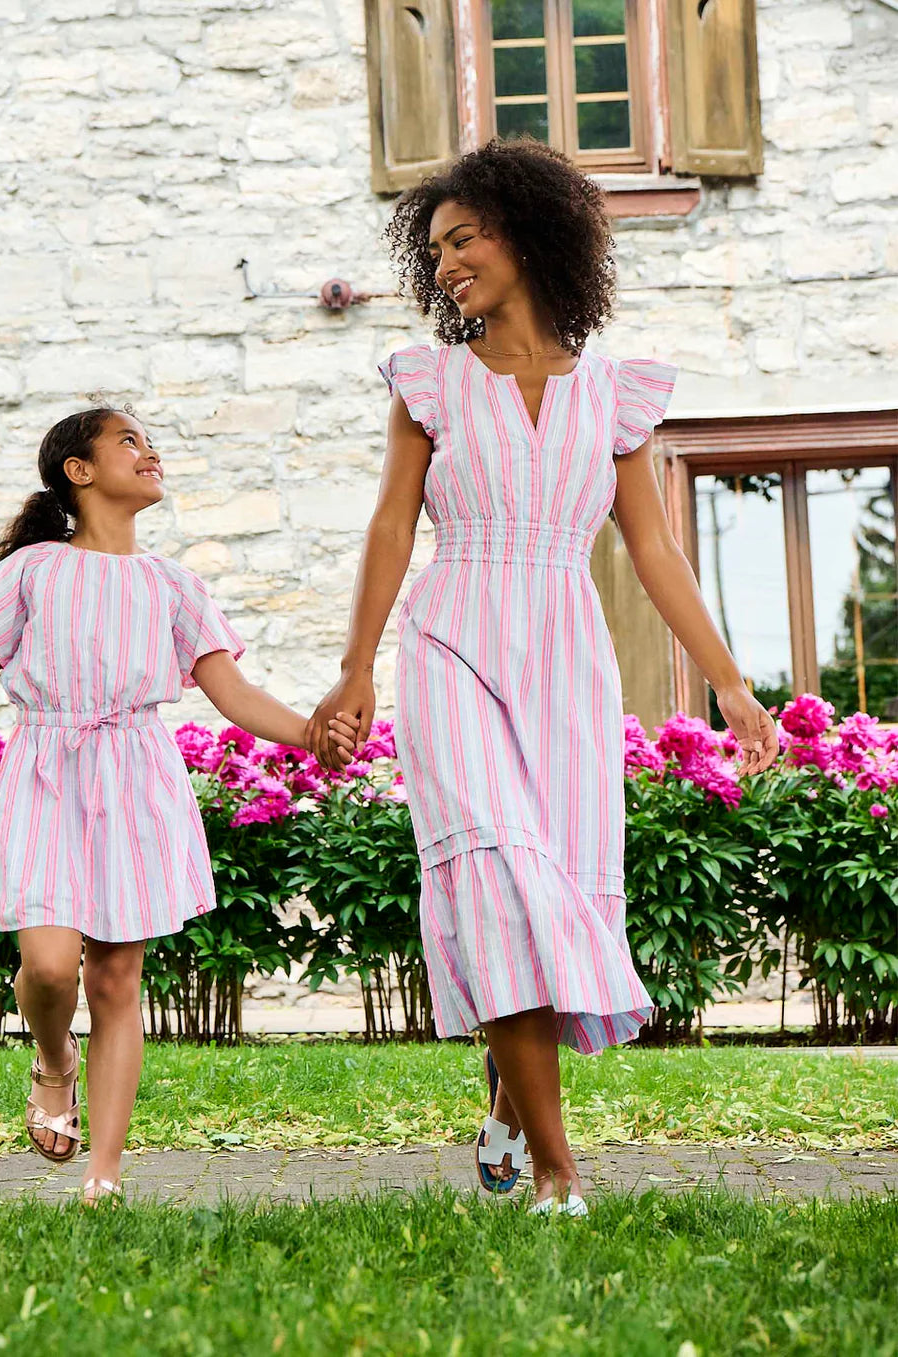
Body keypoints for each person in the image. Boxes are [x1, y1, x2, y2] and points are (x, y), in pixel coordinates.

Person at [308, 140, 779, 1217]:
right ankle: (561, 1176)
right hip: (452, 638)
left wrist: (731, 685)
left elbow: (654, 552)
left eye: (465, 237)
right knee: (499, 870)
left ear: (528, 233)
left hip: (567, 648)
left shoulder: (612, 396)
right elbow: (390, 528)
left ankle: (511, 1116)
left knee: (559, 889)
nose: (448, 262)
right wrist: (356, 667)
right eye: (436, 248)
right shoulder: (428, 386)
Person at [0, 406, 358, 1206]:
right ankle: (54, 1061)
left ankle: (104, 1174)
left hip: (136, 777)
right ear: (79, 472)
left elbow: (233, 693)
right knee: (49, 964)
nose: (149, 451)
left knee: (117, 980)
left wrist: (311, 734)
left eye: (149, 442)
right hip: (47, 767)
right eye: (129, 441)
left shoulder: (175, 585)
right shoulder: (32, 571)